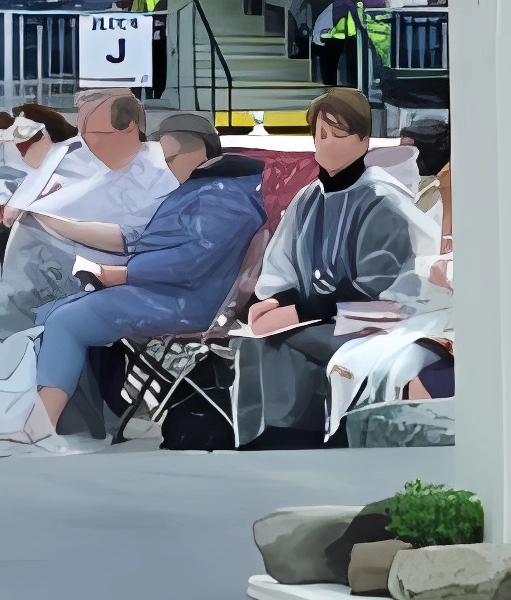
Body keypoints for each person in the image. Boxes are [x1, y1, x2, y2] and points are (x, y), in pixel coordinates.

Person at [0, 113, 265, 445]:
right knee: (59, 312)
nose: (163, 168)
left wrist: (121, 273)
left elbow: (190, 262)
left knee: (67, 321)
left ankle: (40, 425)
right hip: (174, 293)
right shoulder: (206, 189)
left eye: (168, 159)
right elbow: (154, 244)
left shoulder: (222, 197)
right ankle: (90, 419)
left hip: (187, 302)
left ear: (197, 149)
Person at [233, 89, 446, 449]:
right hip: (326, 312)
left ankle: (307, 437)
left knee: (293, 342)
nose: (325, 144)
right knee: (257, 344)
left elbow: (378, 284)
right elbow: (285, 264)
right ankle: (271, 438)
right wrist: (274, 300)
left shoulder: (382, 199)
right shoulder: (309, 197)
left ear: (363, 140)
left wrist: (297, 311)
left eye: (337, 134)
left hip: (381, 316)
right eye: (320, 134)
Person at [0, 92, 175, 333]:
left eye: (94, 133)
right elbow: (47, 169)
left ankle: (9, 332)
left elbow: (129, 240)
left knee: (29, 231)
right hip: (50, 257)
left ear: (129, 128)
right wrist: (22, 204)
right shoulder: (84, 151)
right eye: (81, 132)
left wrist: (46, 220)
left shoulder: (155, 172)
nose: (85, 142)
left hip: (97, 265)